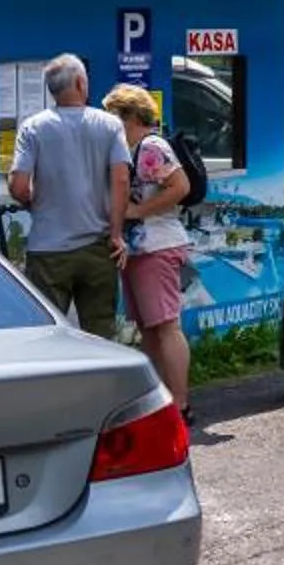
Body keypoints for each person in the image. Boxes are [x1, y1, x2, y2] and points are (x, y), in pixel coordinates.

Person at [9, 54, 131, 339]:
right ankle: (99, 383)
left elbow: (18, 187)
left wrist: (33, 204)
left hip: (48, 251)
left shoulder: (32, 127)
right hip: (98, 248)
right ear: (80, 82)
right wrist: (116, 234)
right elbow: (121, 180)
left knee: (47, 335)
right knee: (100, 334)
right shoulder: (110, 125)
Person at [105, 83, 195, 415]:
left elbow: (180, 185)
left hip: (157, 245)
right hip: (142, 250)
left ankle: (180, 402)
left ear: (127, 116)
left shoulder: (150, 147)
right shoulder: (133, 149)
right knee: (150, 327)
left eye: (112, 117)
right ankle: (162, 400)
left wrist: (138, 211)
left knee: (165, 325)